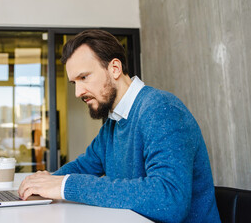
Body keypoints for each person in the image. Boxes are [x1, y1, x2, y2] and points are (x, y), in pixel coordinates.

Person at [18, 30, 221, 222]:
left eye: (84, 77)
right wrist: (47, 181)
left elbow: (169, 199)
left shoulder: (161, 109)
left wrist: (64, 185)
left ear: (114, 68)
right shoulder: (113, 123)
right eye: (74, 83)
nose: (78, 92)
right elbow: (84, 167)